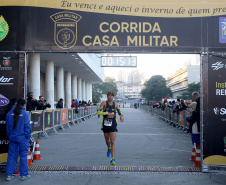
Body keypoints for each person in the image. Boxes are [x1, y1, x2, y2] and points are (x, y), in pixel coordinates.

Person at [5, 98, 31, 181]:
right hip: (22, 138)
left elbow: (8, 127)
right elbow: (27, 127)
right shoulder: (24, 114)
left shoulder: (9, 113)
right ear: (23, 105)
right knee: (23, 155)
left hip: (12, 137)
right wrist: (28, 136)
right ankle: (23, 175)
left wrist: (9, 135)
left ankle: (9, 174)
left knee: (11, 155)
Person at [97, 91, 124, 166]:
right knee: (107, 140)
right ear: (107, 96)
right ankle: (108, 148)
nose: (110, 97)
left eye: (112, 95)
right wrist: (106, 113)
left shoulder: (115, 104)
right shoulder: (104, 103)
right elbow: (98, 112)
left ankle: (112, 159)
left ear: (113, 97)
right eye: (109, 95)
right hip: (105, 124)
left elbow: (118, 110)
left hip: (113, 124)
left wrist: (121, 115)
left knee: (112, 141)